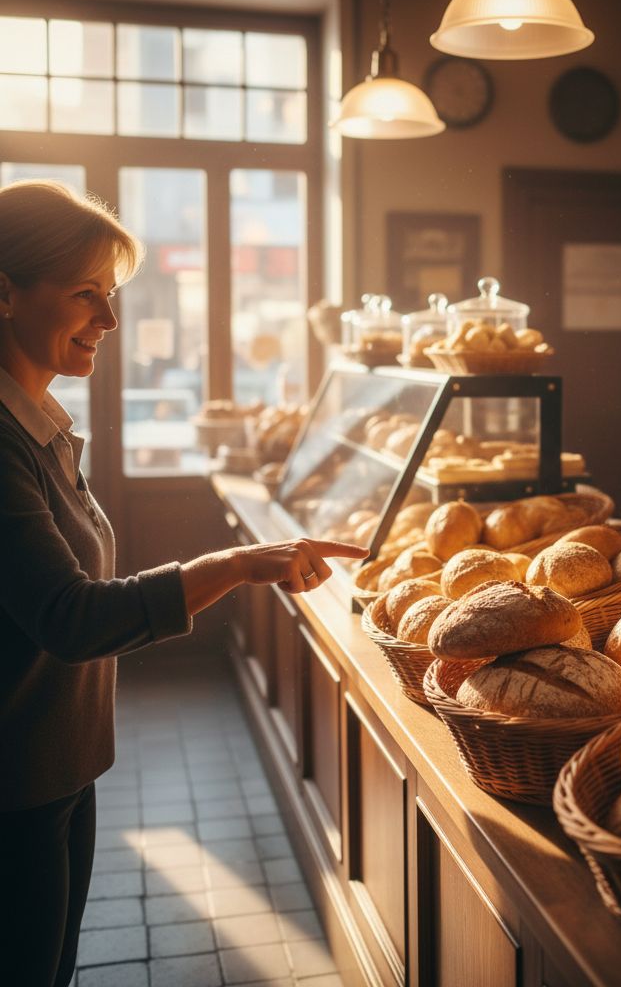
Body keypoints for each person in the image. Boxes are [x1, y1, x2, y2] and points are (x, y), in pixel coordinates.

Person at [0, 180, 368, 987]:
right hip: (15, 788)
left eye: (113, 295)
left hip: (59, 768)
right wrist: (236, 565)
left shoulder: (39, 423)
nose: (109, 320)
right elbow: (70, 616)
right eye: (85, 295)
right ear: (4, 294)